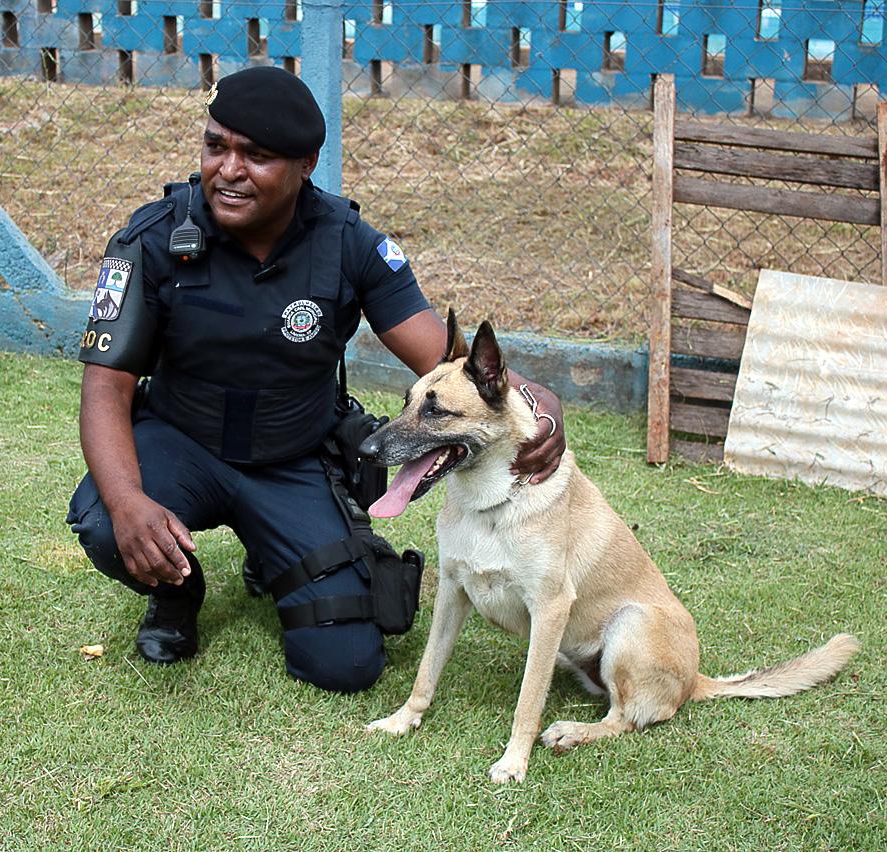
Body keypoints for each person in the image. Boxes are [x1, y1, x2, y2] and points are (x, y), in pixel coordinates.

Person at [66, 65, 566, 693]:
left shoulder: (349, 245)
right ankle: (177, 592)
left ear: (307, 163)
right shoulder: (157, 237)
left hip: (292, 460)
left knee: (346, 663)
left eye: (257, 155)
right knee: (110, 522)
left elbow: (439, 355)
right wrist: (128, 501)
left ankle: (271, 554)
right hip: (181, 445)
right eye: (215, 146)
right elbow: (104, 388)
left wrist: (534, 400)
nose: (228, 169)